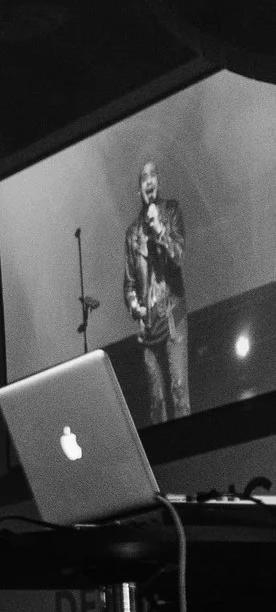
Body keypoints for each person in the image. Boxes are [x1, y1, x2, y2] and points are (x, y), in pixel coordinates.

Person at [123, 159, 188, 423]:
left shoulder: (171, 211)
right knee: (156, 402)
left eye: (152, 176)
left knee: (179, 391)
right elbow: (128, 285)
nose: (149, 181)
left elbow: (178, 256)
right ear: (139, 189)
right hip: (149, 327)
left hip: (173, 318)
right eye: (143, 178)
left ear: (158, 182)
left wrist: (160, 227)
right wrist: (133, 305)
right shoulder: (132, 233)